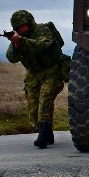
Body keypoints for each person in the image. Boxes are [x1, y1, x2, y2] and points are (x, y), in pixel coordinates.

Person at [4, 10, 70, 149]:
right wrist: (16, 46)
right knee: (33, 106)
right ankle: (47, 132)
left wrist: (21, 41)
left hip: (52, 70)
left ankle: (43, 135)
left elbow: (41, 46)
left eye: (22, 26)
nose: (20, 29)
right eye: (17, 27)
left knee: (45, 99)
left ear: (29, 22)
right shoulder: (19, 37)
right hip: (33, 74)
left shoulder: (43, 30)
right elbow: (11, 58)